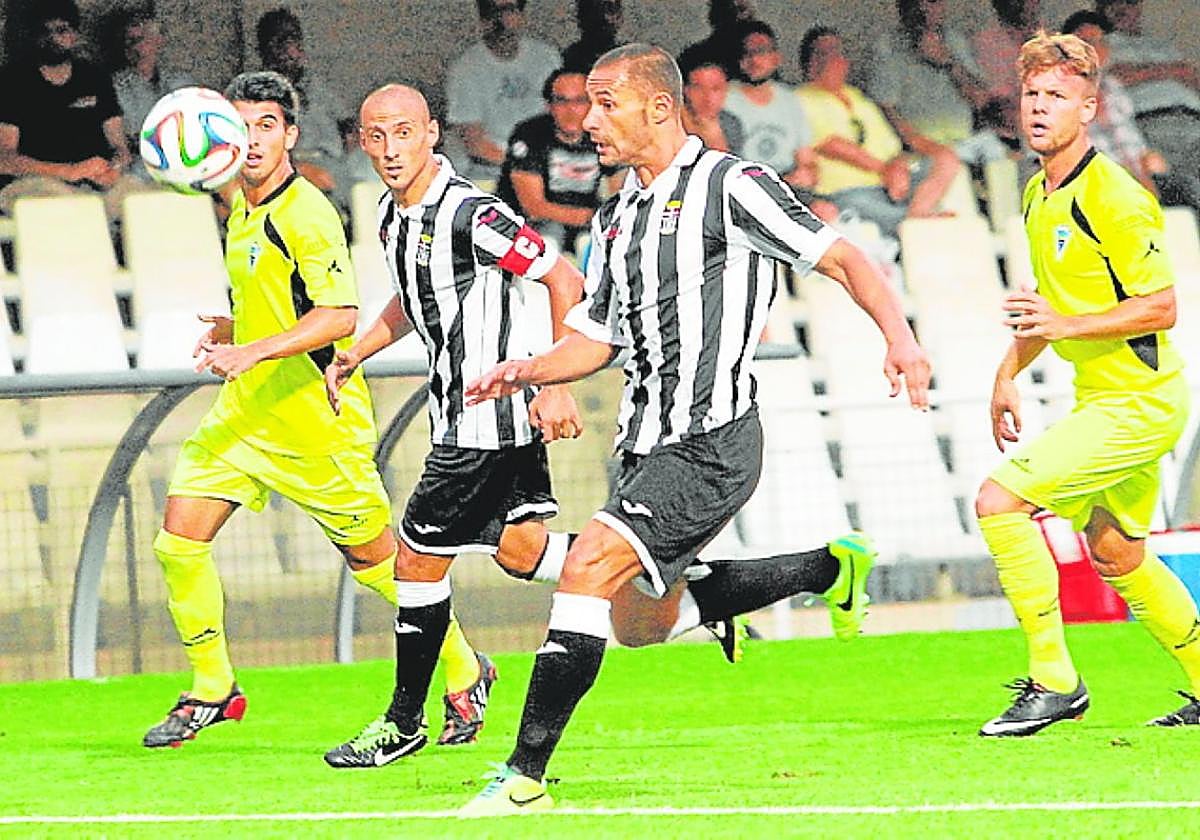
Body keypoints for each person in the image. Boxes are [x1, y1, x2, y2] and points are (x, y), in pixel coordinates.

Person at [459, 44, 932, 814]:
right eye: (586, 103)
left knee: (586, 570)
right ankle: (824, 570)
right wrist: (530, 369)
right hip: (642, 446)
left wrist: (901, 339)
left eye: (606, 103)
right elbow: (599, 336)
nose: (588, 120)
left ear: (657, 107)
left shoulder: (730, 185)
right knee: (639, 624)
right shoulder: (619, 212)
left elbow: (842, 257)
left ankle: (522, 778)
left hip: (712, 442)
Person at [140, 71, 497, 751]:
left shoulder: (306, 213)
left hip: (314, 423)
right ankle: (212, 686)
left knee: (380, 566)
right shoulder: (241, 209)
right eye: (240, 125)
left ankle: (464, 666)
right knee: (177, 542)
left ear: (291, 135)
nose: (251, 139)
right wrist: (238, 326)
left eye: (266, 125)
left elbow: (339, 316)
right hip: (246, 417)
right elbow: (285, 300)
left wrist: (252, 350)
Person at [319, 82, 588, 769]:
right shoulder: (391, 214)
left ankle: (402, 722)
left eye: (403, 132)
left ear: (432, 133)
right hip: (470, 415)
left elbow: (563, 279)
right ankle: (682, 577)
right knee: (523, 552)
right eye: (377, 136)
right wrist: (356, 352)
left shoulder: (472, 213)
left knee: (413, 561)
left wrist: (557, 382)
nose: (390, 149)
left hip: (484, 420)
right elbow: (416, 299)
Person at [974, 31, 1200, 737]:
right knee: (1115, 551)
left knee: (998, 502)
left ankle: (1055, 682)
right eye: (1031, 94)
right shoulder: (1038, 193)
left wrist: (1065, 325)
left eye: (1057, 95)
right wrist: (1007, 373)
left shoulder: (1115, 195)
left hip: (1141, 401)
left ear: (1089, 108)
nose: (1040, 107)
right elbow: (1052, 304)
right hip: (1104, 397)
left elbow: (1161, 306)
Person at [797, 26, 962, 236]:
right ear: (811, 62)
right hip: (849, 191)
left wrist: (898, 167)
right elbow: (832, 144)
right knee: (908, 222)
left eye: (838, 51)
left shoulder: (857, 97)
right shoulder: (801, 98)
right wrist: (886, 171)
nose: (836, 58)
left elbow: (892, 146)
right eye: (825, 53)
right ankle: (916, 222)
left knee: (945, 159)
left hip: (888, 185)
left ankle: (917, 216)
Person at [0, 0, 143, 219]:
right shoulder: (12, 80)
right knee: (71, 210)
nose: (52, 38)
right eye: (44, 31)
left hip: (96, 181)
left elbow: (120, 146)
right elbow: (5, 159)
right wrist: (70, 171)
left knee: (145, 199)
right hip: (36, 183)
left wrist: (113, 168)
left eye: (61, 30)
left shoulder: (94, 77)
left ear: (75, 34)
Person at [1095, 0, 1200, 213]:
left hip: (1193, 120)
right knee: (1180, 192)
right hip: (1152, 122)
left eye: (1129, 3)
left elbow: (1192, 76)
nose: (1122, 9)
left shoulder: (1163, 46)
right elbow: (1114, 77)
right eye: (1112, 4)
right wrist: (1171, 71)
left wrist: (1155, 71)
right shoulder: (1104, 46)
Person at [445, 0, 561, 186]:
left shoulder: (547, 58)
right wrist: (523, 165)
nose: (502, 20)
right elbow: (475, 143)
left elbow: (563, 117)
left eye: (509, 10)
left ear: (521, 16)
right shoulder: (465, 69)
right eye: (494, 11)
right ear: (483, 20)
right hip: (486, 172)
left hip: (544, 166)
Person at [1061, 10, 1170, 197]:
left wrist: (1149, 163)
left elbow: (1137, 147)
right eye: (1086, 43)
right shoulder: (1060, 97)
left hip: (1140, 186)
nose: (1096, 50)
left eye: (1101, 42)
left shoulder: (1113, 88)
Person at [498, 68, 605, 256]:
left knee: (593, 243)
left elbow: (618, 190)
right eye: (561, 101)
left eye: (580, 101)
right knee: (545, 243)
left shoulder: (603, 134)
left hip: (587, 225)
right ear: (548, 106)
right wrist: (591, 217)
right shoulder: (530, 134)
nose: (571, 110)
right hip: (535, 225)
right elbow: (533, 207)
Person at [255, 7, 352, 210]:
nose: (289, 49)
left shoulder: (317, 86)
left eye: (294, 39)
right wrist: (298, 170)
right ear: (263, 50)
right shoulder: (255, 94)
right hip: (289, 174)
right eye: (280, 41)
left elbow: (349, 127)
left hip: (337, 169)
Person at [722, 21, 819, 198]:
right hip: (744, 189)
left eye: (761, 51)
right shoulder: (724, 98)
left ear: (776, 58)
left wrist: (806, 174)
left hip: (789, 186)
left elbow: (807, 159)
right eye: (747, 53)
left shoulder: (790, 99)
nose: (754, 60)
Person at [103, 6, 193, 163]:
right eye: (128, 42)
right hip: (140, 166)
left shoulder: (183, 83)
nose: (134, 48)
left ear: (159, 41)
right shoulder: (113, 88)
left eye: (140, 40)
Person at [678, 43, 744, 155]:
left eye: (716, 89)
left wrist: (715, 136)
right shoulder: (670, 124)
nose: (708, 98)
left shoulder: (731, 124)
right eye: (698, 88)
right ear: (685, 89)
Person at [561, 0, 624, 73]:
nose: (604, 17)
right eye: (596, 9)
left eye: (610, 8)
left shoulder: (626, 58)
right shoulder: (569, 60)